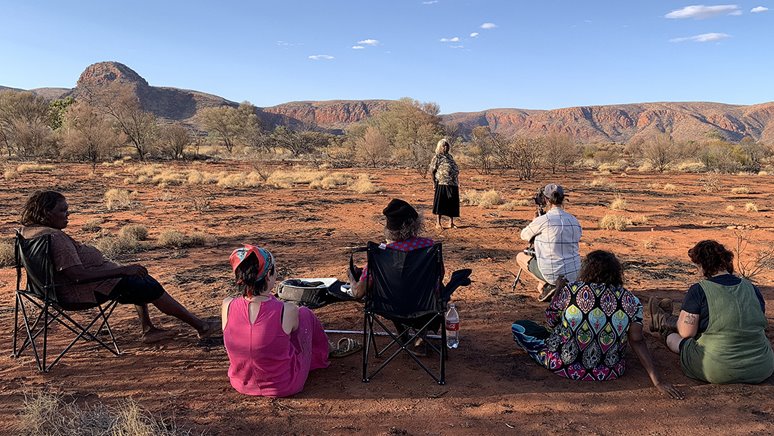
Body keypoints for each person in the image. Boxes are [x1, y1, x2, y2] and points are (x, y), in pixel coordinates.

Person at [19, 190, 218, 343]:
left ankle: (148, 328)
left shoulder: (27, 233)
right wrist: (121, 270)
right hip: (77, 293)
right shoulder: (54, 236)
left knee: (136, 278)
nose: (68, 215)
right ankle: (201, 326)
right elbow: (77, 275)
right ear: (46, 212)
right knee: (146, 284)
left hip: (47, 293)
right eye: (63, 210)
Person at [512, 250, 683, 399]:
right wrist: (658, 381)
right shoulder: (630, 299)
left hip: (564, 365)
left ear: (586, 269)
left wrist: (558, 290)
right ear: (617, 273)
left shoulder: (571, 291)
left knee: (520, 327)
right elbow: (636, 340)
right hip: (610, 370)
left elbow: (551, 322)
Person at [222, 245, 356, 397]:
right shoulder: (286, 310)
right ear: (268, 275)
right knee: (304, 314)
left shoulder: (227, 305)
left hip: (241, 384)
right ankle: (327, 351)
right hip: (284, 385)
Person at [649, 240, 774, 384]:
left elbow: (686, 333)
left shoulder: (699, 290)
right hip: (761, 367)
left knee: (678, 339)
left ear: (702, 266)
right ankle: (665, 319)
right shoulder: (752, 288)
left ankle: (664, 325)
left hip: (716, 369)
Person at [516, 183, 582, 301]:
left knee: (520, 257)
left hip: (551, 273)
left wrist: (534, 221)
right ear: (563, 199)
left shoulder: (543, 220)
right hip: (574, 273)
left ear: (546, 200)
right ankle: (550, 286)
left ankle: (549, 285)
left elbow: (524, 235)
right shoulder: (574, 220)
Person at [429, 138, 460, 229]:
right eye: (444, 145)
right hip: (442, 183)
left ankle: (451, 222)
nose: (446, 147)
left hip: (453, 183)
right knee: (440, 203)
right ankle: (438, 223)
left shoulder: (450, 157)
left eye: (447, 145)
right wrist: (434, 183)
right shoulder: (437, 157)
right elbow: (432, 170)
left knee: (452, 203)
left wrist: (457, 180)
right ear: (440, 147)